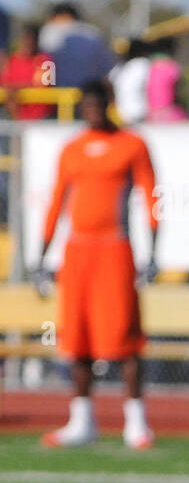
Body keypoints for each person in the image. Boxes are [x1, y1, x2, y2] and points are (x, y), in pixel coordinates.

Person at [32, 81, 160, 449]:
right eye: (86, 105)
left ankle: (136, 422)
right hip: (77, 253)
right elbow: (56, 203)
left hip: (115, 250)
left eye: (97, 104)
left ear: (109, 103)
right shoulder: (71, 149)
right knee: (78, 338)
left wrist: (153, 250)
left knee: (124, 337)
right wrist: (42, 257)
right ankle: (81, 420)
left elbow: (151, 195)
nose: (92, 111)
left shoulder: (132, 145)